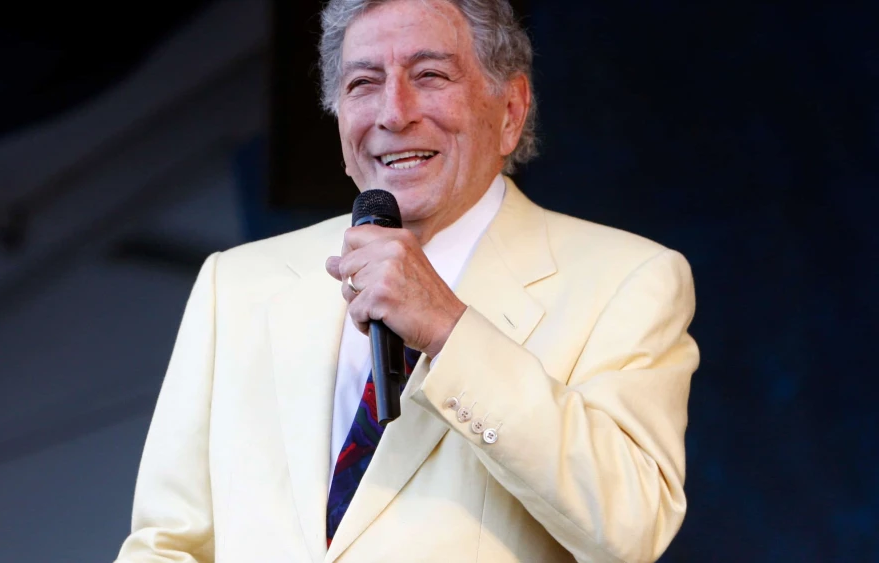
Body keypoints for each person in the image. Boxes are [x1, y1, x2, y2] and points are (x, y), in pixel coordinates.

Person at [114, 0, 699, 561]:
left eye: (430, 74)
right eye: (363, 83)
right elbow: (167, 544)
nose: (394, 112)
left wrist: (450, 330)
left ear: (511, 111)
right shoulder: (235, 284)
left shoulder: (628, 278)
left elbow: (632, 527)